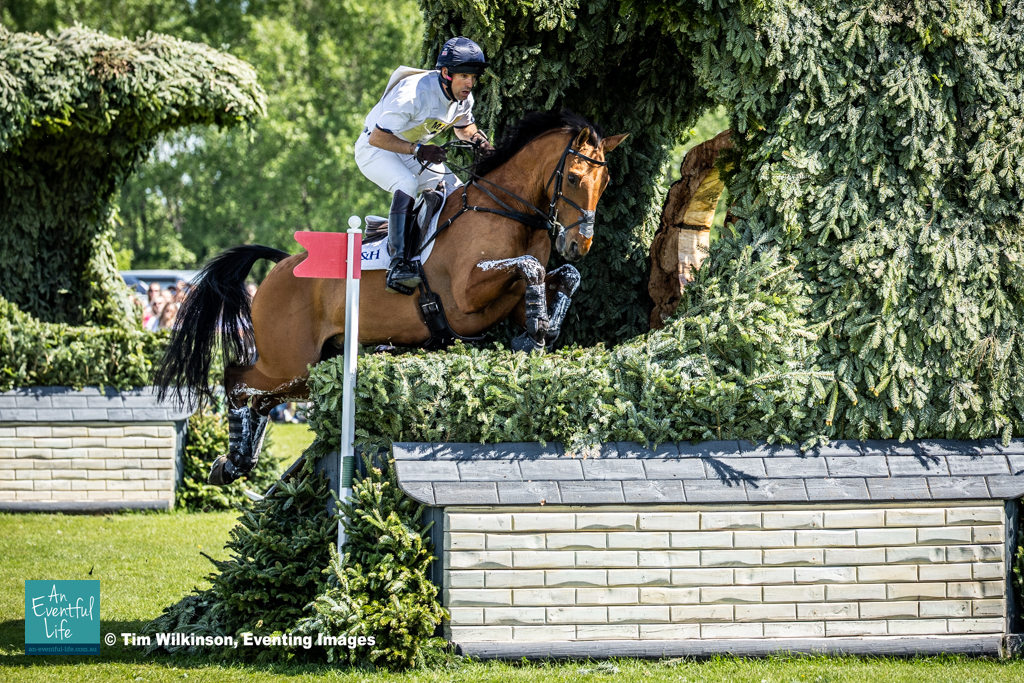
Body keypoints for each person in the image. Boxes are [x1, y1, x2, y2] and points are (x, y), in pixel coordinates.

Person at [355, 36, 495, 295]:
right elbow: (378, 137)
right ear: (445, 72)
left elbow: (464, 127)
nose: (470, 83)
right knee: (406, 182)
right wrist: (419, 149)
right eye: (464, 76)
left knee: (456, 191)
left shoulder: (464, 98)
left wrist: (479, 140)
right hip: (374, 149)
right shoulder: (413, 92)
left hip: (410, 149)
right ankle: (398, 264)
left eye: (473, 76)